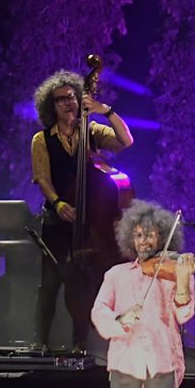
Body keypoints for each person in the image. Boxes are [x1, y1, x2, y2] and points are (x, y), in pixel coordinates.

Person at [89, 200, 195, 388]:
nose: (144, 241)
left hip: (160, 360)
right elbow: (98, 311)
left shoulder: (172, 272)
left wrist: (185, 281)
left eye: (150, 235)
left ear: (162, 238)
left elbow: (184, 314)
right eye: (138, 235)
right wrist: (120, 320)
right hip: (124, 360)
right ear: (129, 239)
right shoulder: (116, 275)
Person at [29, 69, 133, 350]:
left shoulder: (91, 130)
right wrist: (58, 202)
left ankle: (80, 342)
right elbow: (43, 178)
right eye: (61, 99)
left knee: (83, 285)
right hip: (57, 222)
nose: (68, 102)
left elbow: (126, 141)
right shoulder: (42, 139)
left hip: (89, 227)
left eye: (72, 97)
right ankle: (40, 342)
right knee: (50, 283)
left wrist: (106, 111)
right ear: (51, 107)